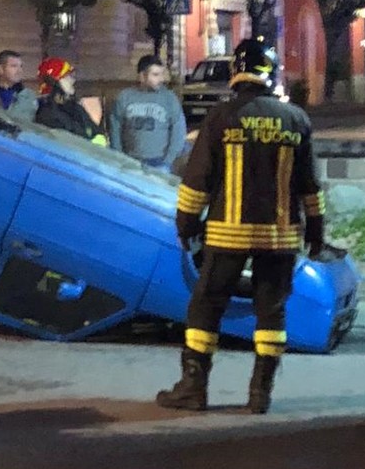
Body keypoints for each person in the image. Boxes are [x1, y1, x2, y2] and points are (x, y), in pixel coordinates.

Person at [155, 38, 325, 415]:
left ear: (236, 71)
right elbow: (310, 185)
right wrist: (316, 232)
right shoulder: (296, 119)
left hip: (227, 233)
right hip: (280, 235)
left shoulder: (221, 117)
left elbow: (198, 178)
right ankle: (260, 393)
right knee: (271, 311)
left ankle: (193, 388)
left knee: (207, 305)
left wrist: (185, 225)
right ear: (272, 73)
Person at [109, 54, 186, 173]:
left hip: (159, 162)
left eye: (161, 74)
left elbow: (179, 131)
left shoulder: (169, 99)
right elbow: (115, 129)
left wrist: (167, 161)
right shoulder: (125, 97)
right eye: (155, 75)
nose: (161, 79)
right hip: (130, 162)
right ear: (142, 76)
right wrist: (119, 157)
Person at [35, 57, 105, 143]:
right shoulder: (46, 114)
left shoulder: (75, 107)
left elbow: (95, 131)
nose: (72, 80)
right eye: (66, 77)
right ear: (53, 82)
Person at [0, 49, 38, 123]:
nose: (19, 71)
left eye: (21, 66)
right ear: (1, 69)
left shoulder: (29, 97)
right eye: (14, 66)